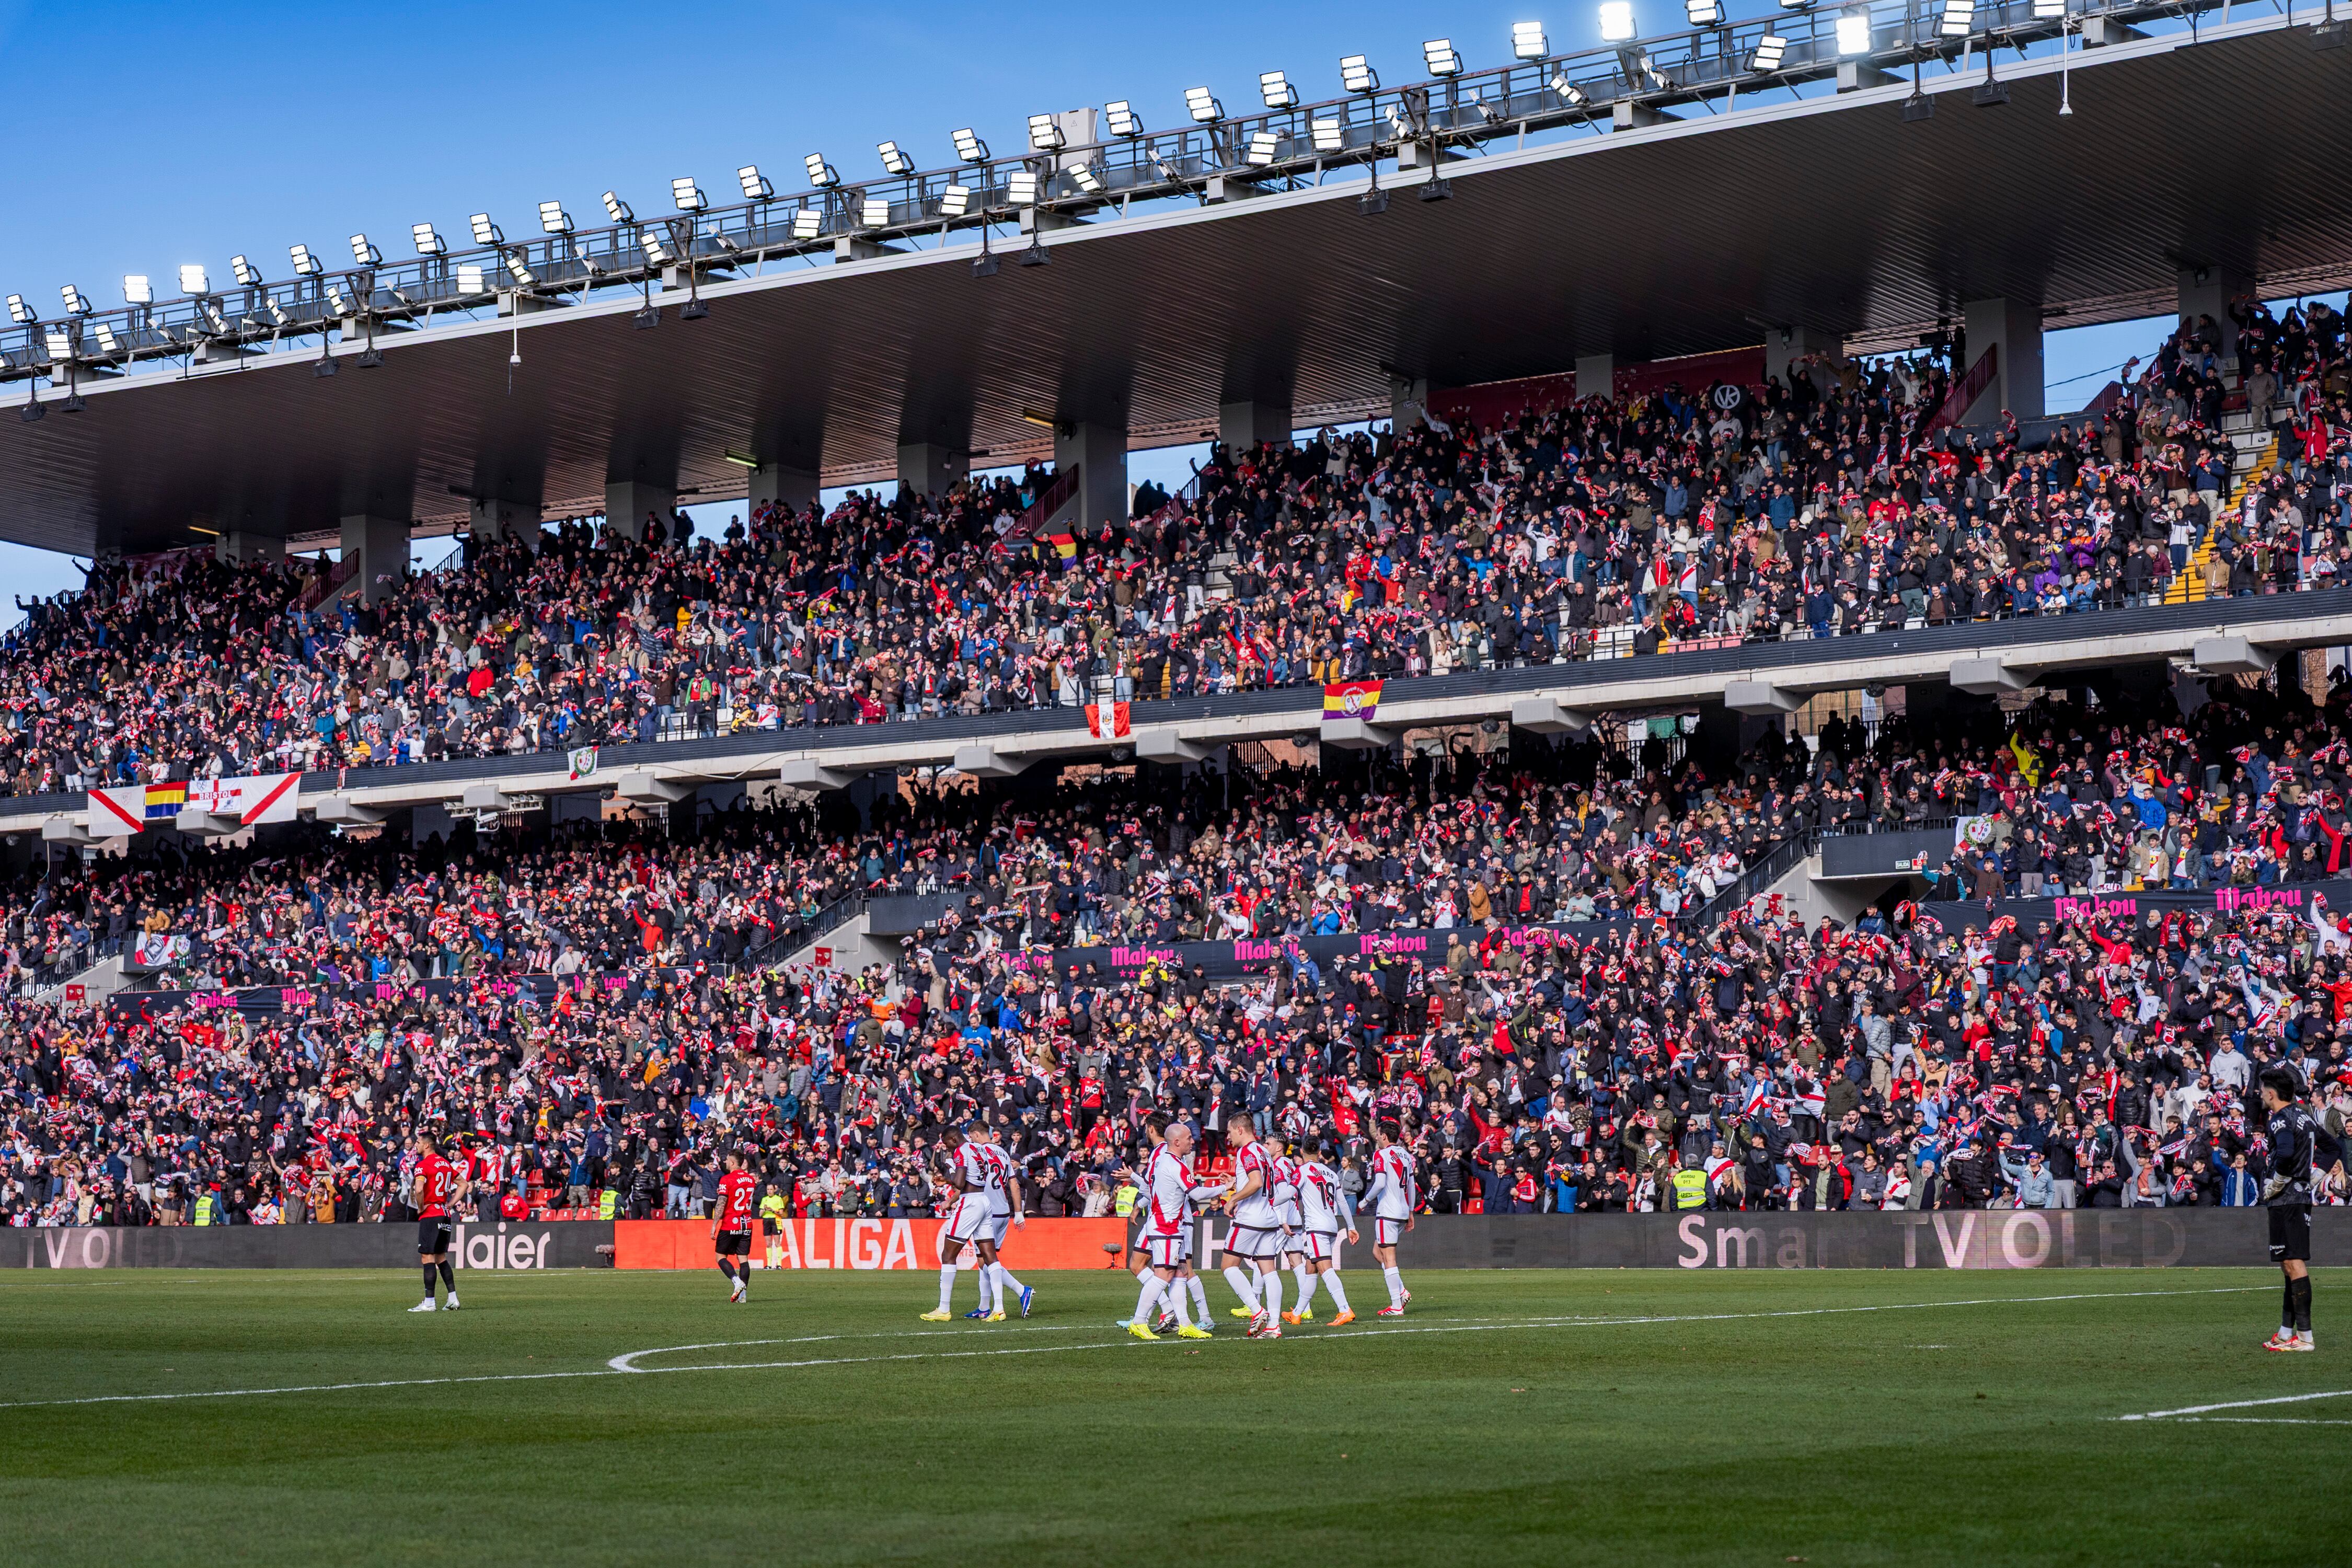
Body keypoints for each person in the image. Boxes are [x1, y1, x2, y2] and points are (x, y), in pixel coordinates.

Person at [1127, 1117, 1222, 1342]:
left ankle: (1185, 1323)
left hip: (1168, 1224)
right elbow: (1196, 1194)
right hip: (1166, 1226)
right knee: (1164, 1275)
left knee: (1180, 1273)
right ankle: (1139, 1321)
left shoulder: (1162, 1160)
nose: (1193, 1141)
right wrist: (1224, 1187)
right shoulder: (1174, 1164)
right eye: (1189, 1138)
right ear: (1177, 1141)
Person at [2258, 1067, 2320, 1352]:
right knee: (2287, 1265)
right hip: (2296, 1197)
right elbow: (2332, 1147)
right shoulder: (2305, 1115)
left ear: (2271, 1094)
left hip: (2288, 1199)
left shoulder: (2280, 1120)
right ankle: (2286, 1332)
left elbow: (2283, 1153)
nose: (2260, 1095)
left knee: (2294, 1263)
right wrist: (2310, 1175)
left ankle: (2305, 1338)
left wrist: (2280, 1180)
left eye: (2262, 1091)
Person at [921, 1123, 1000, 1323]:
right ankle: (998, 1308)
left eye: (947, 1143)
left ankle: (944, 1309)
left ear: (954, 1139)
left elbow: (959, 1182)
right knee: (990, 1257)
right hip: (984, 1200)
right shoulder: (980, 1148)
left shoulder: (960, 1150)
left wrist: (947, 1174)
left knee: (948, 1254)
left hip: (970, 1202)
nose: (946, 1147)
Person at [1220, 1116, 1285, 1338]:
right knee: (1269, 1271)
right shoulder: (1264, 1152)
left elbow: (1256, 1182)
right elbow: (1261, 1181)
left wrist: (1233, 1199)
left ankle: (1257, 1311)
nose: (1228, 1137)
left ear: (1240, 1129)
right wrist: (1237, 1182)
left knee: (1228, 1266)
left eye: (1230, 1132)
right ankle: (1274, 1325)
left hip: (1250, 1218)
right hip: (1268, 1216)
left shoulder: (1247, 1151)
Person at [1285, 1138, 1358, 1327]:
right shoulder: (1332, 1173)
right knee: (1311, 1270)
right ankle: (1297, 1314)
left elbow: (1288, 1193)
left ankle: (1344, 1310)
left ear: (1301, 1151)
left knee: (1325, 1268)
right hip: (1332, 1225)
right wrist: (1351, 1227)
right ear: (1319, 1152)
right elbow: (1342, 1202)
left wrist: (1270, 1201)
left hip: (1316, 1227)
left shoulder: (1301, 1171)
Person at [965, 1125, 1034, 1320]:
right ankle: (984, 1306)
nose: (971, 1141)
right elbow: (1014, 1183)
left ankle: (1022, 1290)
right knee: (987, 1258)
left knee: (985, 1261)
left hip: (986, 1212)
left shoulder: (977, 1151)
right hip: (1003, 1211)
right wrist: (1018, 1212)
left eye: (972, 1137)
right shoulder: (1004, 1153)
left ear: (977, 1135)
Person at [1366, 1119, 1417, 1318]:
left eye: (1378, 1134)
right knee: (1377, 1252)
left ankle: (1396, 1305)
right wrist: (1411, 1212)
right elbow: (1411, 1186)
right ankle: (1402, 1291)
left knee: (1389, 1258)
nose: (1377, 1137)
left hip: (1387, 1211)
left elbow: (1379, 1183)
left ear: (1384, 1136)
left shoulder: (1381, 1153)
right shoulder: (1406, 1155)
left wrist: (1366, 1201)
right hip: (1402, 1211)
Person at [408, 1131, 462, 1314]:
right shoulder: (446, 1164)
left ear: (427, 1145)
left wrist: (421, 1207)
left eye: (417, 1142)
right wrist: (452, 1203)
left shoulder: (422, 1166)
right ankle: (453, 1299)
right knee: (441, 1258)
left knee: (427, 1257)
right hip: (445, 1213)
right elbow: (464, 1184)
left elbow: (419, 1189)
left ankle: (429, 1302)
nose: (415, 1145)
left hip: (431, 1213)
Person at [710, 1149, 758, 1305]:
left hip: (731, 1222)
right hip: (747, 1223)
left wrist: (714, 1224)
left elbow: (721, 1203)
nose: (724, 1162)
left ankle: (737, 1281)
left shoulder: (726, 1179)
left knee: (720, 1257)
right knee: (743, 1259)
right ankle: (743, 1296)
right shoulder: (751, 1180)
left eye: (726, 1160)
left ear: (732, 1162)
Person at [758, 1180, 789, 1273]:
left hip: (775, 1220)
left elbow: (781, 1213)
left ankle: (779, 1264)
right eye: (768, 1189)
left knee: (777, 1242)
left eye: (771, 1189)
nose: (770, 1191)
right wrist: (764, 1209)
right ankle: (769, 1264)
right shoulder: (764, 1199)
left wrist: (772, 1210)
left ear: (774, 1190)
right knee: (768, 1243)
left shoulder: (778, 1199)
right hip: (766, 1221)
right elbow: (760, 1214)